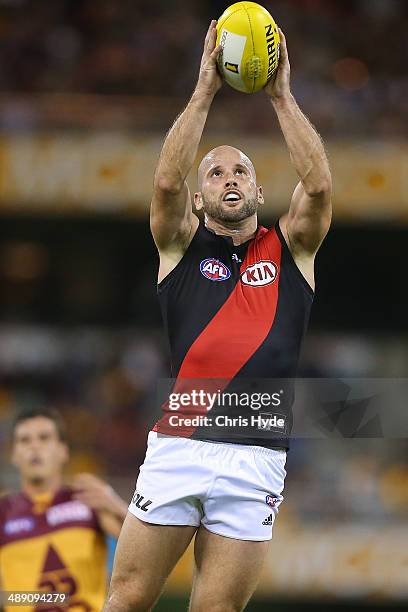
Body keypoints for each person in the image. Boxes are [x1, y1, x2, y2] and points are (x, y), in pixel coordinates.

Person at [105, 20, 332, 612]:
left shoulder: (292, 249)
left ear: (258, 193)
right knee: (128, 597)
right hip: (180, 445)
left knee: (216, 609)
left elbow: (320, 186)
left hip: (256, 456)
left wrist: (281, 94)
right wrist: (205, 88)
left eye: (241, 172)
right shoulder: (179, 246)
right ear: (199, 199)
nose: (230, 178)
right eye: (216, 173)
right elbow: (163, 180)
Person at [0, 408, 128, 612]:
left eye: (44, 438)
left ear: (63, 450)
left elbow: (144, 557)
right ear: (14, 455)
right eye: (24, 440)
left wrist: (120, 508)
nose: (34, 447)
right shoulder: (3, 512)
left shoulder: (89, 499)